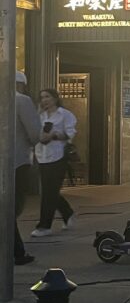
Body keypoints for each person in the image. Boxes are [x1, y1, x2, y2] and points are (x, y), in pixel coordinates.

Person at [31, 88, 77, 237]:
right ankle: (67, 212)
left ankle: (44, 226)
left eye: (47, 96)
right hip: (42, 156)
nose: (44, 100)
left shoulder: (65, 114)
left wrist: (54, 135)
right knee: (49, 190)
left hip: (58, 156)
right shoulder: (39, 115)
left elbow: (70, 134)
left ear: (55, 98)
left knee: (49, 192)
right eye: (42, 97)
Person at [14, 72, 41, 262]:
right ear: (21, 85)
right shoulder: (21, 101)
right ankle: (16, 251)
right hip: (17, 161)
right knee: (12, 207)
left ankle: (16, 250)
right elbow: (35, 133)